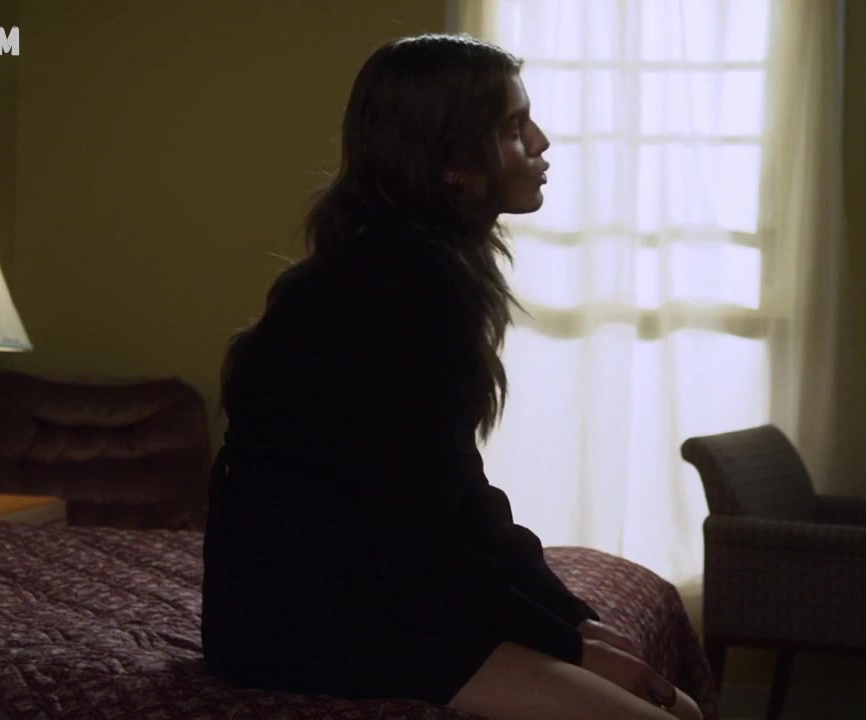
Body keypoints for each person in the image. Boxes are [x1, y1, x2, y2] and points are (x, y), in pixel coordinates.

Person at [202, 34, 700, 720]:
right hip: (306, 617)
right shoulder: (394, 290)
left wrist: (572, 619)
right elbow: (415, 527)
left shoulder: (421, 268)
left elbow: (457, 495)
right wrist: (564, 641)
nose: (541, 142)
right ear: (453, 164)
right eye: (514, 128)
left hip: (374, 585)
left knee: (676, 708)